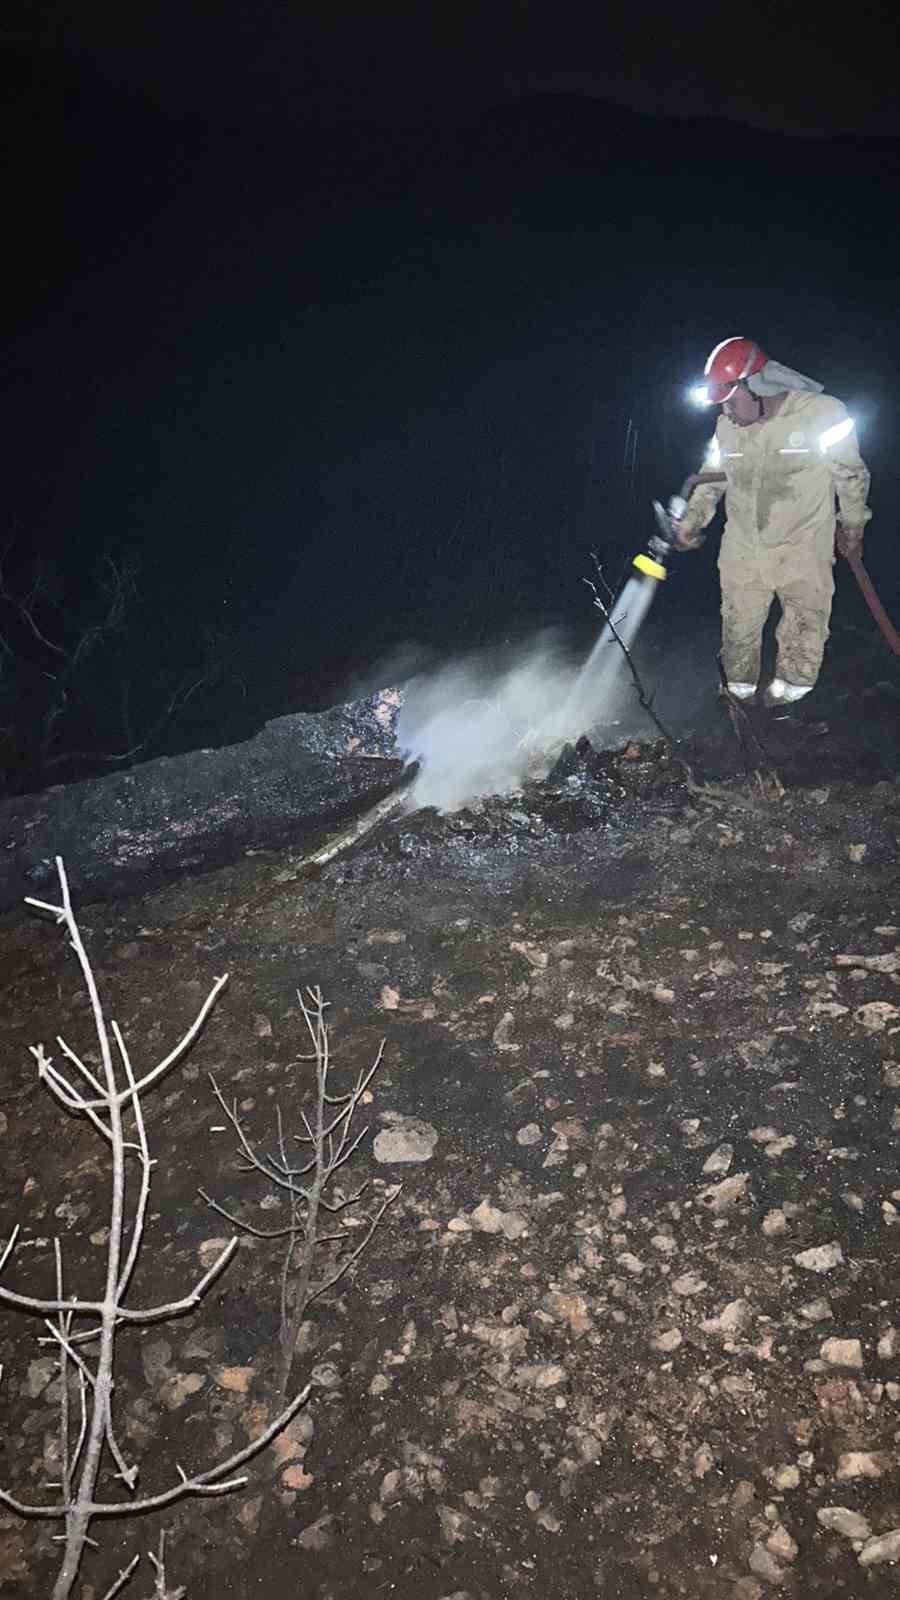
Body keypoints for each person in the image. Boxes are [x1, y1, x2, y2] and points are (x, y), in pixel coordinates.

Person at [673, 337, 871, 714]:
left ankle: (791, 699)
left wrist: (852, 528)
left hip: (803, 544)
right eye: (721, 405)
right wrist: (692, 521)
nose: (727, 412)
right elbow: (711, 479)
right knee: (738, 625)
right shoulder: (726, 427)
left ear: (759, 387)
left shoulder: (822, 414)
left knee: (804, 623)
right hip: (744, 546)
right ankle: (738, 695)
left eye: (731, 401)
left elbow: (850, 476)